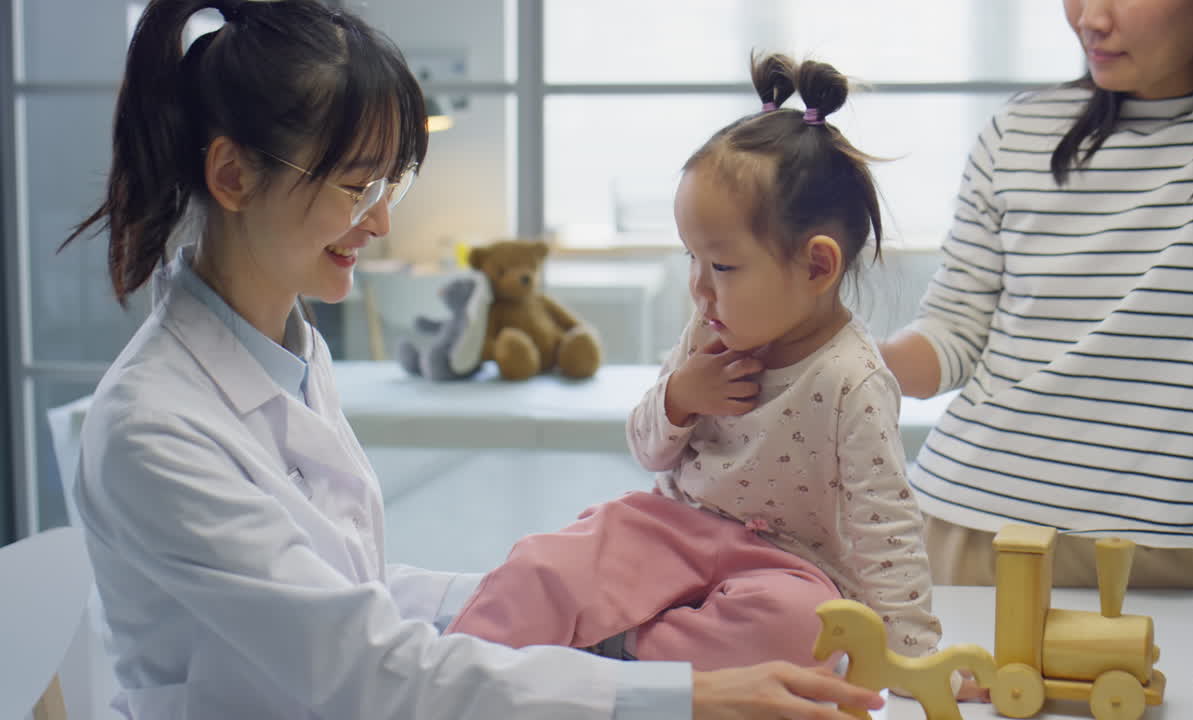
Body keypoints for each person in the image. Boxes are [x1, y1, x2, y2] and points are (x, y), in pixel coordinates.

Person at [64, 2, 886, 718]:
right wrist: (678, 692)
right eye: (358, 188)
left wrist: (567, 598)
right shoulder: (153, 429)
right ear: (233, 175)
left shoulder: (290, 351)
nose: (381, 223)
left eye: (394, 184)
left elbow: (358, 597)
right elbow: (362, 667)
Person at [446, 53, 948, 677]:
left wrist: (916, 658)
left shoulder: (854, 380)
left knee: (803, 633)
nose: (699, 289)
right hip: (672, 527)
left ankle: (620, 649)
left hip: (786, 566)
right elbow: (647, 448)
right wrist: (680, 397)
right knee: (542, 566)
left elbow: (887, 532)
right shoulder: (710, 331)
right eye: (692, 259)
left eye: (724, 267)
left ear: (817, 266)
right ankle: (444, 673)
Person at [878, 0, 1193, 589]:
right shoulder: (1018, 130)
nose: (1090, 17)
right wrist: (834, 359)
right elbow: (953, 333)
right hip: (968, 523)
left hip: (1158, 551)